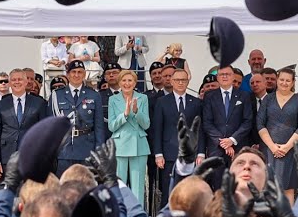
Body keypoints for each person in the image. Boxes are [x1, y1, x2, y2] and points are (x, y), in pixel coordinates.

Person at [150, 67, 203, 206]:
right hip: (169, 153)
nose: (180, 83)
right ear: (171, 81)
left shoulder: (196, 102)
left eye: (183, 80)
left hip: (191, 153)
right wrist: (158, 154)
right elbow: (158, 129)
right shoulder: (162, 102)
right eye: (177, 80)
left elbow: (200, 129)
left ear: (188, 82)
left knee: (189, 191)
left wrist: (201, 153)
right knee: (168, 190)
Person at [255, 67, 298, 200]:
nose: (284, 83)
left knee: (288, 189)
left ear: (293, 82)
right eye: (282, 79)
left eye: (288, 81)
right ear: (277, 80)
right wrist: (272, 147)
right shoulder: (268, 99)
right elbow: (260, 123)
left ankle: (288, 214)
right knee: (268, 187)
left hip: (290, 150)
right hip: (269, 150)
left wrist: (287, 147)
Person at [0, 68, 51, 179]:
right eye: (14, 80)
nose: (17, 82)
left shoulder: (39, 103)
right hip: (7, 158)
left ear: (26, 82)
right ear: (9, 83)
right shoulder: (0, 105)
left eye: (20, 79)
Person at [51, 60, 106, 176]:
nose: (76, 75)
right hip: (64, 149)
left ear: (84, 74)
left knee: (86, 184)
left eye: (80, 72)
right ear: (68, 74)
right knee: (64, 184)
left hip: (86, 149)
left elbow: (99, 126)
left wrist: (99, 151)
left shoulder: (94, 95)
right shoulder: (57, 95)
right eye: (73, 72)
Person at [108, 70, 151, 209]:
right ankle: (119, 216)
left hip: (139, 145)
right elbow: (111, 126)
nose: (127, 83)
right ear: (119, 83)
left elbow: (146, 124)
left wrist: (137, 112)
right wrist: (125, 115)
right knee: (119, 186)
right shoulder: (113, 99)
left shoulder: (143, 98)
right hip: (120, 145)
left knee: (138, 187)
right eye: (124, 80)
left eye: (130, 80)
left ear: (135, 83)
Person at [201, 65, 254, 160]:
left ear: (233, 76)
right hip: (216, 149)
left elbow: (247, 121)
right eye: (221, 74)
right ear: (217, 77)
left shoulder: (244, 96)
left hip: (238, 147)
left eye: (228, 74)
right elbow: (207, 122)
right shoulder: (209, 96)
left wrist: (232, 140)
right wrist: (223, 143)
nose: (224, 76)